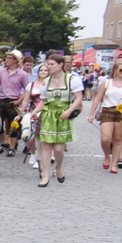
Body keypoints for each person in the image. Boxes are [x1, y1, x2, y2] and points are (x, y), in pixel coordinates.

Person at [35, 52, 82, 186]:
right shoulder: (46, 81)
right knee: (46, 147)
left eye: (51, 64)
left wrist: (69, 111)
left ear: (60, 65)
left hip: (63, 114)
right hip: (48, 115)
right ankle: (45, 175)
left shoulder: (72, 79)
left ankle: (59, 167)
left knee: (59, 149)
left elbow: (78, 97)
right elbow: (43, 101)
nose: (49, 67)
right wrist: (35, 111)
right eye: (48, 64)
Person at [91, 56, 122, 174]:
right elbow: (97, 99)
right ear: (115, 70)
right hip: (107, 111)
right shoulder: (107, 83)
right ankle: (107, 155)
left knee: (118, 139)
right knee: (105, 138)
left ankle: (114, 164)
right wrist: (91, 114)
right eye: (121, 70)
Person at [0, 51, 32, 154]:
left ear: (16, 60)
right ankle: (4, 142)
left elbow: (27, 89)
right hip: (2, 101)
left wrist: (19, 100)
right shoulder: (2, 72)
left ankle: (12, 147)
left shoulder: (22, 74)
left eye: (9, 58)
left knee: (13, 126)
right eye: (6, 58)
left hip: (13, 101)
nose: (7, 60)